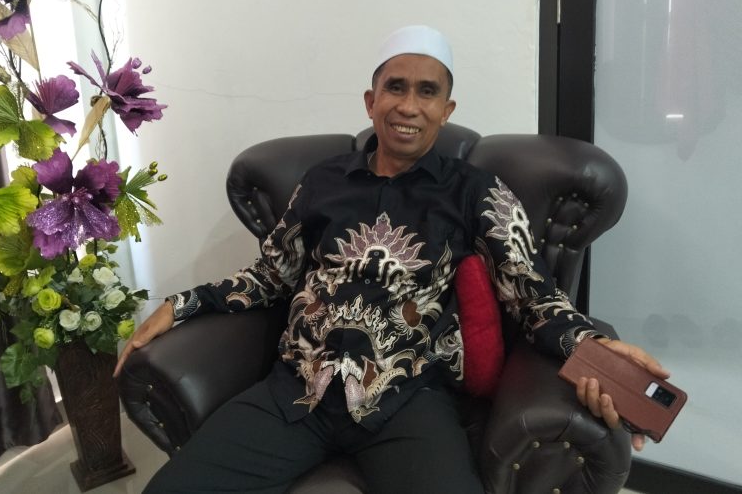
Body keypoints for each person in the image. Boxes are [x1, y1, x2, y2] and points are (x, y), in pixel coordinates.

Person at [115, 25, 669, 494]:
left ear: (446, 110)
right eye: (395, 87)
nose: (408, 105)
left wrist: (594, 349)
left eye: (427, 92)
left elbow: (532, 293)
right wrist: (182, 304)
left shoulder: (477, 192)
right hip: (295, 391)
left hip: (408, 399)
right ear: (370, 100)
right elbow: (270, 276)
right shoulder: (322, 181)